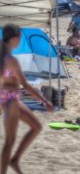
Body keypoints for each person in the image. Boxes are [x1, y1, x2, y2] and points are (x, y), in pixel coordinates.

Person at [1, 24, 53, 174]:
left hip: (12, 100)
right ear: (15, 38)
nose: (20, 41)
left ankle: (15, 160)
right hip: (9, 101)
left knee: (36, 127)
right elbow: (25, 85)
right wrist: (44, 100)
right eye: (20, 38)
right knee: (9, 142)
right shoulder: (10, 60)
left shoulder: (3, 56)